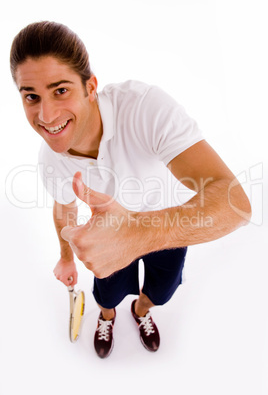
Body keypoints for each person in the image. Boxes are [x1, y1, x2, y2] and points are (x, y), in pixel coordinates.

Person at [10, 21, 251, 358]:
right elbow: (64, 208)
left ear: (90, 86)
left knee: (162, 292)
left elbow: (235, 203)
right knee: (106, 296)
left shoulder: (144, 108)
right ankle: (106, 317)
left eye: (60, 90)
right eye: (31, 96)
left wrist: (137, 233)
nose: (46, 114)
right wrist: (66, 259)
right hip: (104, 236)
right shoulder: (50, 160)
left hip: (171, 226)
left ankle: (140, 312)